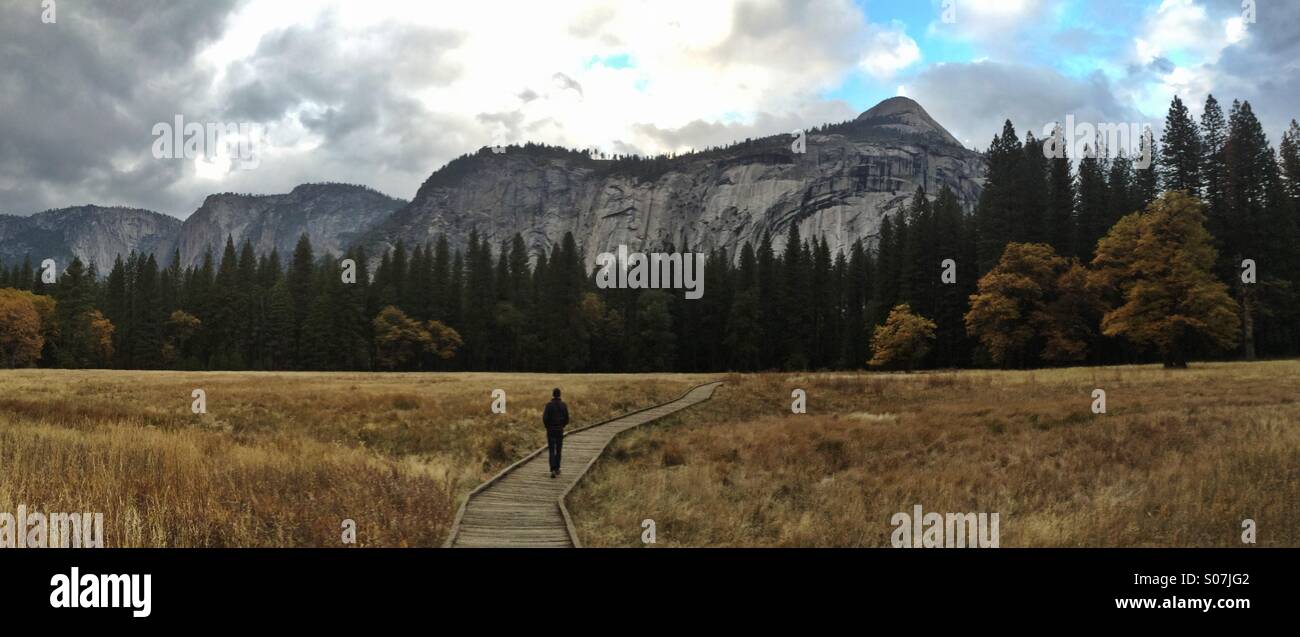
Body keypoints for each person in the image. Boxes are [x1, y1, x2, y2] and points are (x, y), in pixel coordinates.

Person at [542, 388, 570, 478]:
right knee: (558, 450)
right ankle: (557, 468)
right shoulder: (563, 405)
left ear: (553, 395)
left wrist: (548, 427)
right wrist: (562, 426)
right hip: (559, 430)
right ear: (560, 395)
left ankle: (552, 469)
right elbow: (567, 419)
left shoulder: (548, 405)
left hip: (551, 430)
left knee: (551, 450)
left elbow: (545, 419)